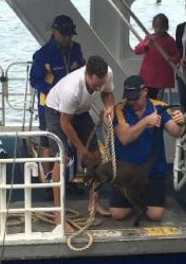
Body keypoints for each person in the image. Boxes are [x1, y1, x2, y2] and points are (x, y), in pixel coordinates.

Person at [45, 55, 115, 229]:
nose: (98, 88)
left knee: (97, 155)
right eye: (94, 85)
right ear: (87, 75)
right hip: (57, 112)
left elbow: (107, 93)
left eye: (100, 84)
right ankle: (58, 215)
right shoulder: (72, 89)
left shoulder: (107, 74)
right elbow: (65, 123)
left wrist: (109, 107)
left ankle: (93, 203)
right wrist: (82, 150)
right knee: (62, 159)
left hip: (81, 111)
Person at [109, 75, 186, 221]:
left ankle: (142, 200)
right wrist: (146, 121)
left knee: (155, 215)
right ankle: (133, 200)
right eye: (129, 98)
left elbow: (175, 132)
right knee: (118, 214)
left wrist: (180, 122)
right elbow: (124, 138)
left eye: (135, 98)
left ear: (145, 91)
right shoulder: (119, 110)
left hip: (152, 173)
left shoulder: (159, 107)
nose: (132, 102)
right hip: (126, 174)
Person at [29, 14, 85, 180]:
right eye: (64, 34)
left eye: (70, 35)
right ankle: (48, 180)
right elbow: (34, 80)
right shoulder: (43, 55)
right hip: (49, 105)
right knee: (49, 141)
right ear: (54, 31)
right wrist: (52, 90)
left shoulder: (76, 49)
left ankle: (70, 178)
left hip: (72, 102)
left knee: (72, 138)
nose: (67, 38)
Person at [133, 13, 181, 101]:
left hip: (160, 80)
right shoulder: (149, 38)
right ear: (153, 26)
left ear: (166, 27)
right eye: (156, 26)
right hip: (147, 77)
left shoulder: (169, 41)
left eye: (161, 27)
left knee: (156, 101)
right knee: (145, 100)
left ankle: (156, 113)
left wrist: (171, 59)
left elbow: (177, 56)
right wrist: (146, 45)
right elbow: (137, 50)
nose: (158, 29)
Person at [175, 21, 186, 112]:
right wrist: (180, 59)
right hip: (182, 70)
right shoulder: (181, 27)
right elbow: (178, 47)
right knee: (183, 104)